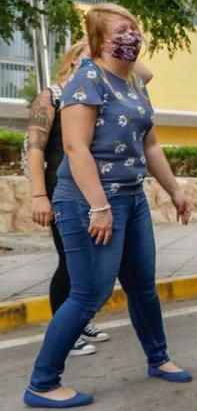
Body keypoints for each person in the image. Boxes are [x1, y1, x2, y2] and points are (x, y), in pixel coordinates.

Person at [23, 3, 192, 409]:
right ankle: (43, 382)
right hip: (89, 200)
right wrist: (100, 207)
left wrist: (174, 189)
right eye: (120, 30)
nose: (131, 35)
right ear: (98, 41)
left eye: (134, 28)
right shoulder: (86, 80)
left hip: (131, 197)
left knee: (142, 287)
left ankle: (159, 358)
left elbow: (149, 144)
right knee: (88, 294)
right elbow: (74, 147)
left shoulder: (135, 84)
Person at [25, 42, 156, 357]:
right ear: (72, 61)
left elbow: (146, 73)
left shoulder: (105, 91)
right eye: (87, 56)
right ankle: (65, 331)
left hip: (101, 189)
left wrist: (116, 50)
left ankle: (79, 325)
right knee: (70, 264)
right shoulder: (52, 95)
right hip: (66, 191)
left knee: (90, 273)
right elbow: (35, 149)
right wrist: (39, 195)